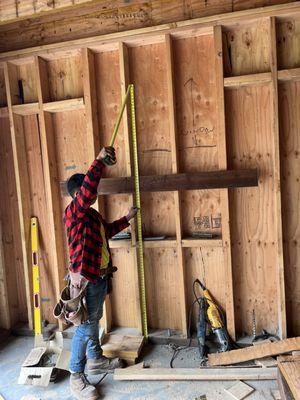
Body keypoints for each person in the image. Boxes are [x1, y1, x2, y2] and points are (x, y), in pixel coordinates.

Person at [64, 146, 138, 400]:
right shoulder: (74, 213)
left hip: (100, 277)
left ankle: (95, 360)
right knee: (85, 327)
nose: (91, 194)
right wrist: (97, 162)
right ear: (77, 194)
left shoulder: (91, 216)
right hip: (85, 280)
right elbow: (86, 194)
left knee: (94, 321)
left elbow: (106, 231)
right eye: (86, 190)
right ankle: (76, 375)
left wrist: (127, 219)